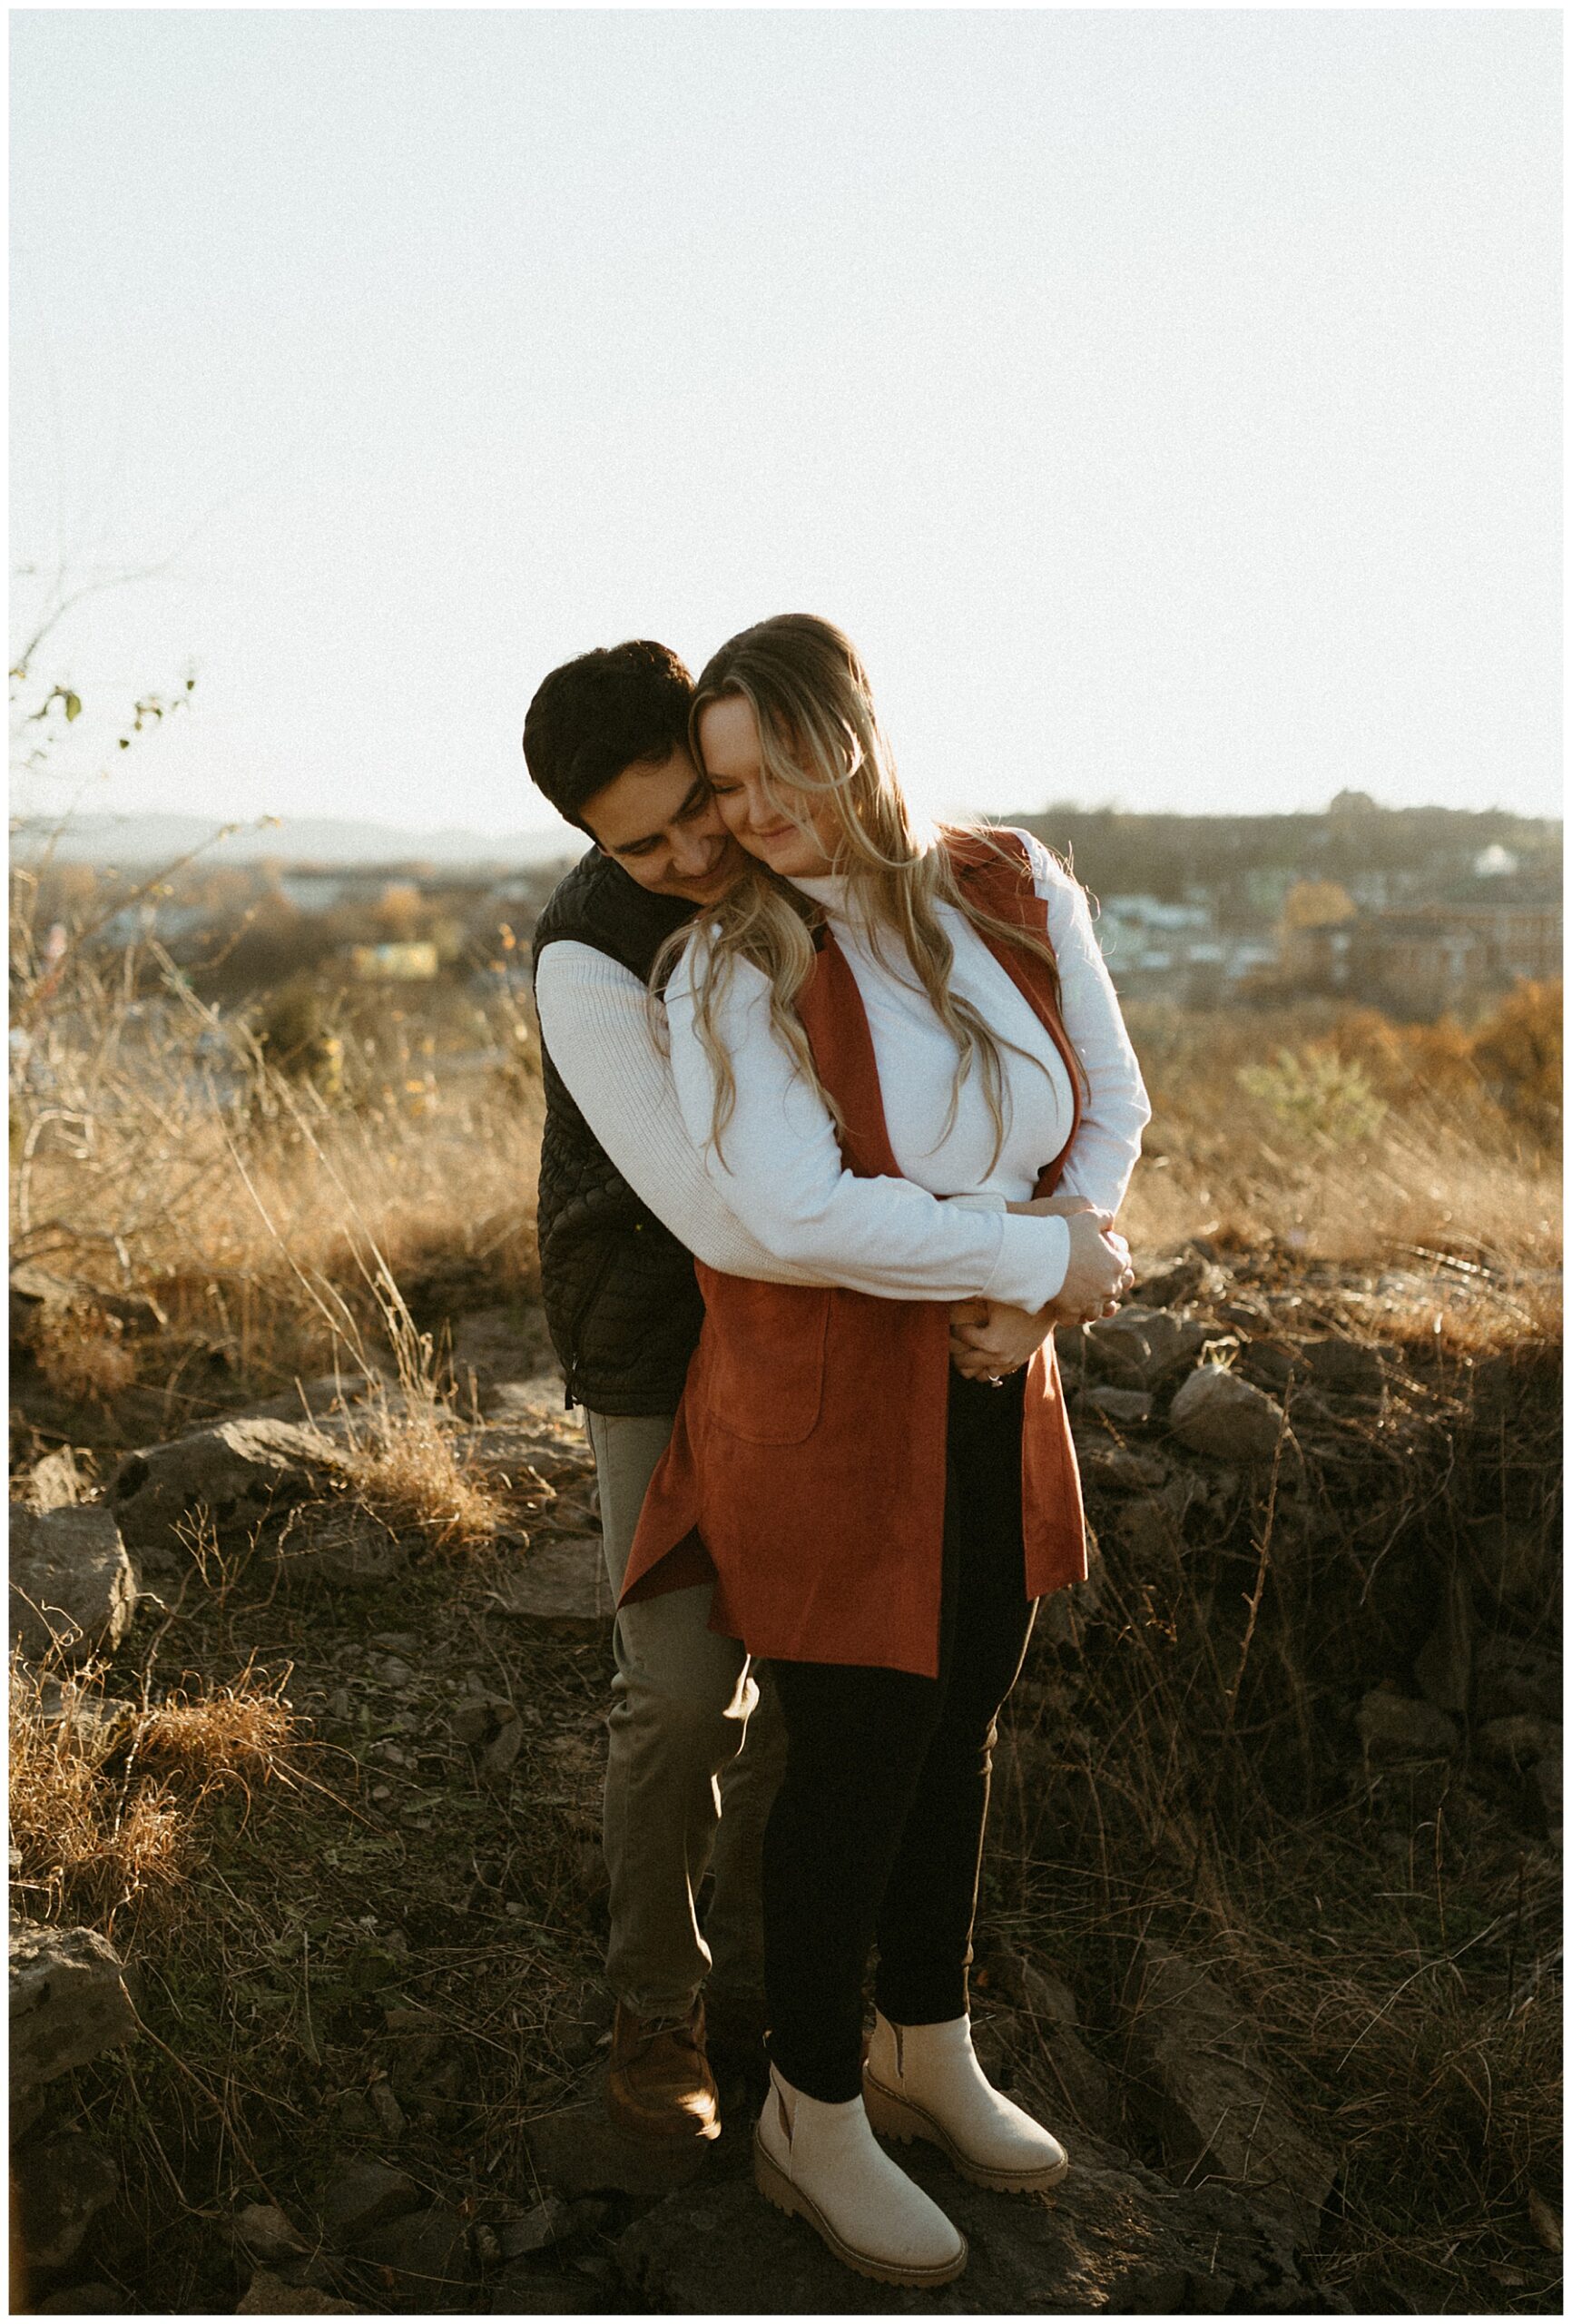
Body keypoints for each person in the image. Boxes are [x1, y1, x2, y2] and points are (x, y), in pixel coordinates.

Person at [523, 641, 1136, 2155]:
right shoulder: (605, 956)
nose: (690, 852)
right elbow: (737, 1222)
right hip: (663, 1332)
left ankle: (785, 2014)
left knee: (839, 1690)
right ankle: (657, 2003)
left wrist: (1044, 1254)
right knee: (678, 1690)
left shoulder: (860, 897)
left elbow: (1055, 1103)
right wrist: (1029, 1256)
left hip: (860, 1322)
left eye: (702, 806)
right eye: (643, 841)